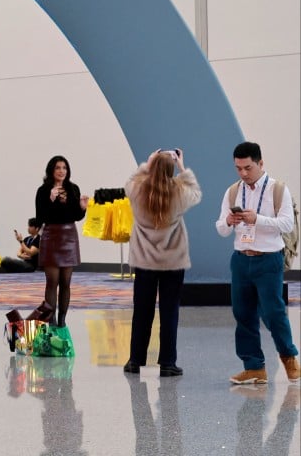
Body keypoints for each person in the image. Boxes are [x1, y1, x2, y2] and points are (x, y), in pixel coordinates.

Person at [216, 141, 299, 384]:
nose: (243, 173)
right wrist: (228, 221)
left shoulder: (278, 190)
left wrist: (258, 219)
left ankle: (289, 357)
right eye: (238, 168)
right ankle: (253, 367)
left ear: (260, 163)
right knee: (242, 313)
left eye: (248, 168)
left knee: (273, 312)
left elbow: (287, 224)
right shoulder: (232, 191)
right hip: (241, 260)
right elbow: (220, 228)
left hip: (269, 259)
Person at [122, 149, 201, 377]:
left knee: (142, 311)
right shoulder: (179, 193)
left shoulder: (138, 190)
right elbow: (196, 192)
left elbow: (129, 182)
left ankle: (135, 360)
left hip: (144, 262)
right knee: (169, 312)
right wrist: (182, 167)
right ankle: (167, 363)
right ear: (171, 169)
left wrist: (147, 164)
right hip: (172, 262)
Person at [34, 155, 88, 328]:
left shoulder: (73, 189)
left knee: (66, 282)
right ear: (51, 170)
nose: (61, 171)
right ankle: (51, 320)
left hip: (69, 237)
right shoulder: (43, 190)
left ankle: (62, 319)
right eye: (58, 168)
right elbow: (40, 217)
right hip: (51, 236)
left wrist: (82, 208)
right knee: (52, 282)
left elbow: (75, 216)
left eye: (64, 168)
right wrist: (50, 199)